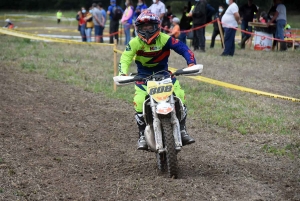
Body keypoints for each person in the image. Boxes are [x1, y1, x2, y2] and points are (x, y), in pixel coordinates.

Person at [118, 11, 196, 150]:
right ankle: (142, 134)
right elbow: (125, 58)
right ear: (138, 29)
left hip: (165, 75)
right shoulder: (134, 42)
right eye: (143, 27)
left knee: (180, 96)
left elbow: (183, 48)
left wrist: (191, 62)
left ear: (157, 26)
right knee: (140, 101)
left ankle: (182, 129)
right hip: (143, 78)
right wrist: (123, 73)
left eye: (150, 27)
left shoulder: (165, 39)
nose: (147, 30)